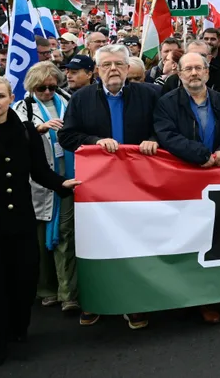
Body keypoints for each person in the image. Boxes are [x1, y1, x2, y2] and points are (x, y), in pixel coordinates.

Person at [0, 76, 79, 367]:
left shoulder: (26, 132)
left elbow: (40, 171)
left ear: (11, 98)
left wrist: (62, 184)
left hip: (19, 222)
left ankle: (15, 328)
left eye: (0, 96)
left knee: (22, 283)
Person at [58, 46, 160, 331]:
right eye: (106, 65)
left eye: (118, 64)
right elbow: (67, 136)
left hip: (139, 185)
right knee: (97, 244)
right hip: (98, 188)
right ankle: (95, 300)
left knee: (136, 243)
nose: (113, 69)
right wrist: (94, 142)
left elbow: (165, 127)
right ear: (96, 70)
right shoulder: (81, 98)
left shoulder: (149, 94)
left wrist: (154, 139)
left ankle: (134, 302)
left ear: (128, 68)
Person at [153, 52, 220, 323]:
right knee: (187, 239)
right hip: (184, 181)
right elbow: (166, 135)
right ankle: (187, 295)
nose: (193, 73)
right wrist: (200, 155)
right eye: (188, 69)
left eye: (198, 68)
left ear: (207, 72)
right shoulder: (167, 103)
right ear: (179, 74)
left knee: (217, 239)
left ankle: (212, 296)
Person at [10, 62, 89, 324]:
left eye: (51, 87)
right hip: (40, 182)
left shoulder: (68, 100)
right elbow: (15, 140)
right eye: (41, 88)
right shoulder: (22, 107)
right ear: (32, 87)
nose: (47, 92)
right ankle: (46, 289)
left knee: (65, 233)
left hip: (68, 176)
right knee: (40, 238)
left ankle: (68, 293)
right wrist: (38, 130)